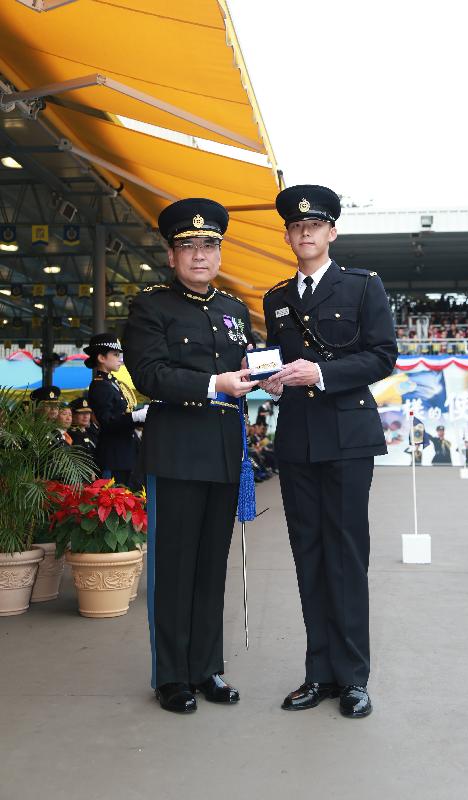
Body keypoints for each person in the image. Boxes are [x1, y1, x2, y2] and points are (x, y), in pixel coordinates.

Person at [261, 185, 397, 719]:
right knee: (308, 555)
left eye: (314, 225)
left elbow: (383, 355)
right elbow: (275, 360)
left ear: (331, 232)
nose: (305, 233)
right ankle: (318, 671)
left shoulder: (362, 286)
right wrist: (268, 380)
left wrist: (321, 373)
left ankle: (354, 676)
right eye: (296, 228)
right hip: (296, 438)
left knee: (345, 555)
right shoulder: (275, 298)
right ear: (289, 235)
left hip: (347, 437)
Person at [123, 197, 257, 715]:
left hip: (225, 450)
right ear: (171, 254)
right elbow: (150, 374)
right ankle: (172, 677)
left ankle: (208, 668)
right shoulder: (151, 305)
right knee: (174, 568)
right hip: (177, 448)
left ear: (219, 253)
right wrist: (213, 383)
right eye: (188, 246)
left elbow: (241, 371)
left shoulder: (233, 309)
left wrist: (263, 379)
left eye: (209, 245)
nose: (200, 255)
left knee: (210, 568)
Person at [85, 334, 146, 486]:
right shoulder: (100, 385)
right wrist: (135, 417)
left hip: (126, 454)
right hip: (114, 457)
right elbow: (107, 421)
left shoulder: (112, 383)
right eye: (116, 355)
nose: (120, 359)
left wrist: (141, 418)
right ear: (101, 358)